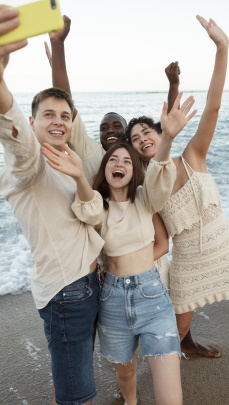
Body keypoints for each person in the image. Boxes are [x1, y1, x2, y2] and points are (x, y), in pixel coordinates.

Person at [126, 15, 229, 357]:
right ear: (133, 151)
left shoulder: (192, 156)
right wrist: (123, 266)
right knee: (176, 333)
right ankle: (162, 373)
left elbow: (213, 106)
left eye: (147, 131)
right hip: (187, 262)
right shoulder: (146, 191)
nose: (142, 138)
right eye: (134, 138)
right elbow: (161, 242)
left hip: (227, 248)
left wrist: (222, 46)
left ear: (161, 134)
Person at [41, 92, 196, 405]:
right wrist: (76, 174)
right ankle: (131, 401)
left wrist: (166, 138)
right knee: (125, 374)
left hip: (152, 297)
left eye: (127, 159)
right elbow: (89, 206)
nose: (120, 163)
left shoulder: (144, 199)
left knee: (169, 387)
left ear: (133, 169)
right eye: (113, 159)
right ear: (105, 167)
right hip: (111, 300)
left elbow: (159, 178)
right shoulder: (101, 208)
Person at [0, 7, 105, 405]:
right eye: (48, 115)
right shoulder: (29, 166)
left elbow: (92, 216)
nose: (58, 121)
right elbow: (14, 138)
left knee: (70, 378)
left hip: (86, 284)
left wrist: (80, 177)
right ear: (33, 122)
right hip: (67, 292)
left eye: (65, 115)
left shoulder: (66, 162)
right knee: (79, 395)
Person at [45, 15, 172, 287]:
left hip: (149, 260)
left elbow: (168, 131)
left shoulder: (138, 160)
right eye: (104, 127)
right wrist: (58, 47)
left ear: (127, 134)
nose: (110, 130)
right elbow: (66, 101)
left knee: (173, 324)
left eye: (117, 125)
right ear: (98, 133)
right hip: (109, 259)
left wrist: (173, 88)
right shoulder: (90, 153)